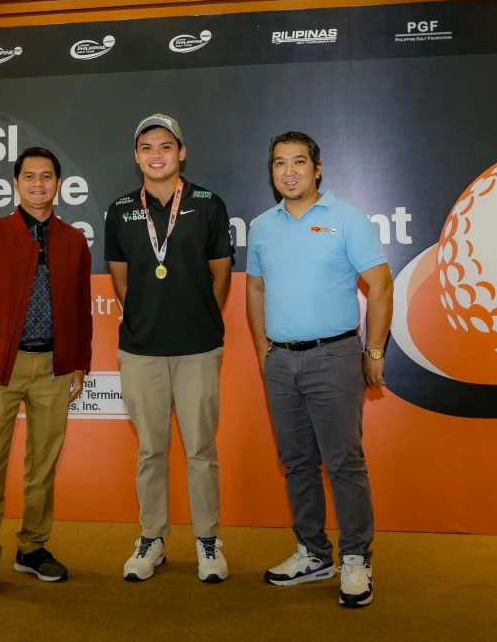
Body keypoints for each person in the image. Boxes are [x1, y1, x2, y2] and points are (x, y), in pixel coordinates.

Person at [244, 131, 393, 608]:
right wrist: (263, 348)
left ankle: (356, 558)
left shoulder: (347, 219)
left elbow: (380, 285)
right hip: (280, 361)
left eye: (299, 162)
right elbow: (254, 288)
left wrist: (373, 352)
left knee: (344, 462)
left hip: (334, 357)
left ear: (318, 168)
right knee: (297, 463)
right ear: (271, 171)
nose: (289, 172)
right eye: (279, 163)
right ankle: (313, 553)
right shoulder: (262, 226)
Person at [0, 147, 93, 601]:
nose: (38, 184)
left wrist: (80, 363)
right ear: (16, 183)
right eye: (29, 176)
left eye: (46, 176)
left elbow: (82, 310)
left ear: (58, 184)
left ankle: (32, 548)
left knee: (42, 467)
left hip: (54, 369)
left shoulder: (74, 241)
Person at [103, 113, 234, 583]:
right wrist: (149, 317)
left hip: (197, 347)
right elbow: (121, 281)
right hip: (141, 349)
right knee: (150, 450)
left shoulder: (208, 203)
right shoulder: (120, 210)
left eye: (165, 146)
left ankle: (207, 539)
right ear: (136, 157)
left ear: (181, 152)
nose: (156, 155)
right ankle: (152, 537)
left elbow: (221, 274)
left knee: (200, 448)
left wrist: (198, 318)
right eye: (147, 148)